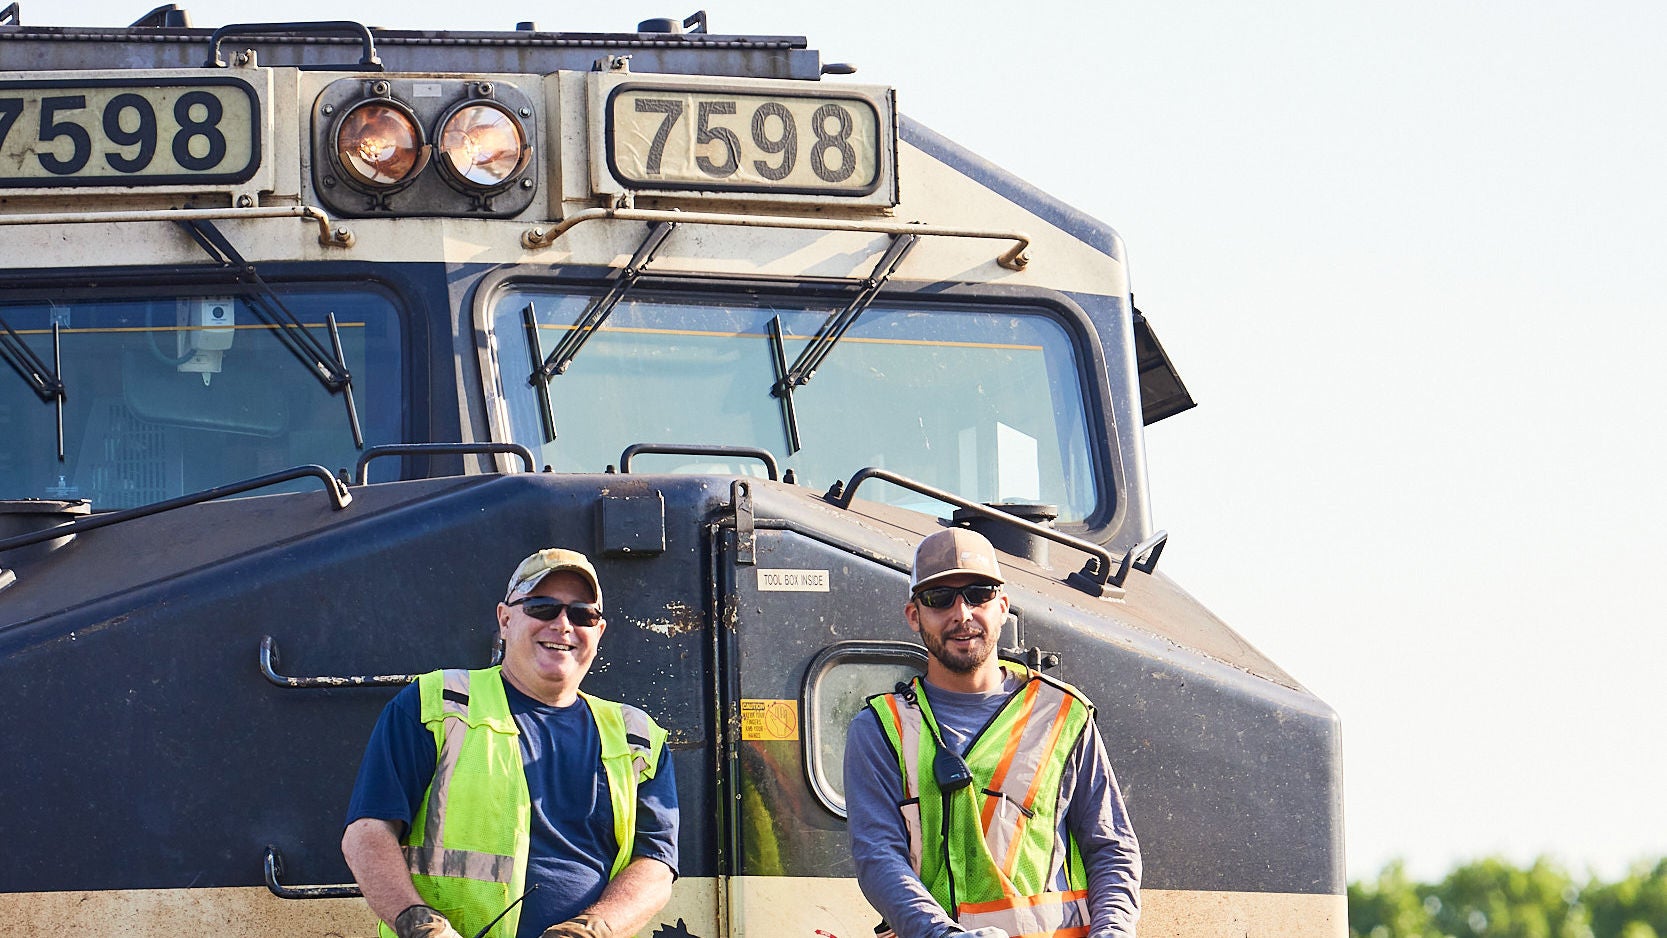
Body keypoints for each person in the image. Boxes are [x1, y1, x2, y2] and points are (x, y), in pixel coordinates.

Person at [343, 548, 678, 938]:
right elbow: (367, 832)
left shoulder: (637, 738)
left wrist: (588, 931)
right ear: (505, 619)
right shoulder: (438, 704)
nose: (563, 624)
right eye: (542, 607)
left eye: (582, 613)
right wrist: (420, 925)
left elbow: (655, 865)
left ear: (598, 631)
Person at [844, 528, 1141, 938]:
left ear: (1002, 607)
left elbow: (1112, 848)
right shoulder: (879, 730)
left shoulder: (1063, 715)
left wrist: (1114, 931)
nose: (961, 614)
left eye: (978, 594)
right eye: (939, 599)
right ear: (914, 615)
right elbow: (878, 858)